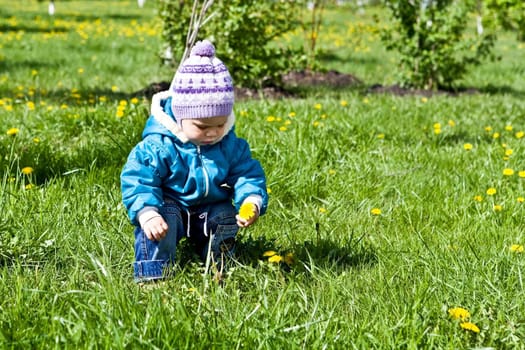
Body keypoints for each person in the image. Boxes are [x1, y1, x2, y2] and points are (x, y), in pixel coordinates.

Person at [121, 40, 268, 282]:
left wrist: (251, 200)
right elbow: (138, 178)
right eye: (202, 126)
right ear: (180, 116)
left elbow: (246, 174)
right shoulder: (159, 145)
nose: (213, 133)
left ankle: (220, 265)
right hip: (172, 206)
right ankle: (153, 274)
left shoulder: (229, 144)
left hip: (209, 207)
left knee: (225, 217)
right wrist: (147, 212)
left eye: (220, 124)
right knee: (160, 222)